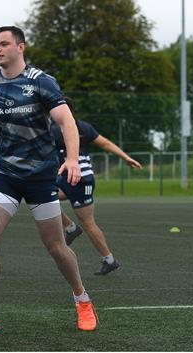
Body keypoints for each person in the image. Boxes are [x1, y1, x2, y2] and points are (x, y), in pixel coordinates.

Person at [0, 25, 97, 338]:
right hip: (4, 175)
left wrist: (71, 159)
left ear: (21, 47)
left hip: (40, 177)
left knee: (56, 247)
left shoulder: (41, 81)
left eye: (4, 44)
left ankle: (82, 299)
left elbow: (66, 120)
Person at [51, 97, 142, 275]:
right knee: (40, 196)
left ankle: (110, 260)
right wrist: (126, 157)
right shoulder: (82, 126)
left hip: (80, 178)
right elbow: (105, 143)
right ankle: (70, 228)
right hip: (65, 177)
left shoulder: (55, 129)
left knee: (88, 222)